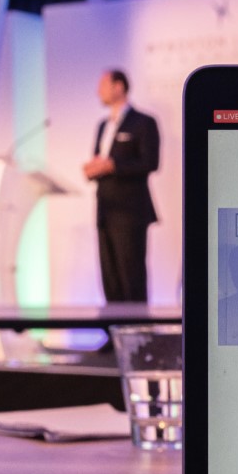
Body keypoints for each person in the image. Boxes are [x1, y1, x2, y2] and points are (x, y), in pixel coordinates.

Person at [83, 69, 159, 303]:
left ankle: (138, 327)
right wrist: (93, 169)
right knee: (110, 278)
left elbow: (150, 162)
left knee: (131, 276)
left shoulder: (143, 122)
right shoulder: (102, 125)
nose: (98, 91)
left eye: (103, 85)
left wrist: (112, 165)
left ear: (119, 86)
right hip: (105, 209)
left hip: (130, 212)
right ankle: (113, 325)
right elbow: (99, 159)